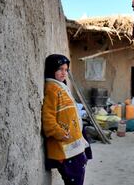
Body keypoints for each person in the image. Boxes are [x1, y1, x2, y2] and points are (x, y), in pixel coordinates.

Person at [42, 54, 92, 185]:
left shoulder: (61, 87)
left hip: (73, 147)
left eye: (66, 69)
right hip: (65, 147)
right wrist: (60, 133)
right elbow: (48, 118)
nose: (64, 73)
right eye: (60, 69)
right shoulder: (52, 89)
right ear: (52, 69)